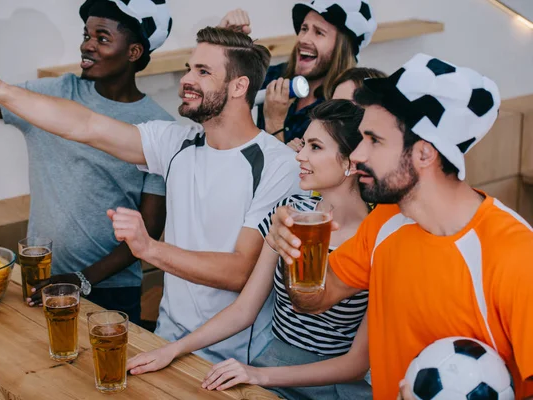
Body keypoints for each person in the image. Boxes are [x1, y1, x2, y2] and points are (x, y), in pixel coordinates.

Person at [0, 27, 302, 364]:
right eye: (188, 69)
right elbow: (85, 126)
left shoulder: (278, 164)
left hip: (232, 358)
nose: (186, 80)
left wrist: (149, 248)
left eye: (203, 71)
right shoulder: (176, 143)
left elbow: (240, 272)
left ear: (239, 86)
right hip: (166, 339)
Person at [266, 54, 533, 399]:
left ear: (424, 154)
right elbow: (313, 300)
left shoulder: (517, 256)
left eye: (374, 140)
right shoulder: (384, 222)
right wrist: (294, 253)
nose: (358, 154)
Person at [126, 94, 385, 400]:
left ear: (352, 161)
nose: (300, 156)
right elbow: (245, 309)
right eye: (303, 145)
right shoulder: (292, 210)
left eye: (315, 147)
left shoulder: (379, 237)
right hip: (270, 364)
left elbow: (356, 365)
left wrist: (259, 374)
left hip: (331, 387)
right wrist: (173, 349)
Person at [0, 0, 174, 324]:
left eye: (102, 38)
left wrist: (81, 278)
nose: (87, 45)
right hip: (39, 283)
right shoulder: (52, 95)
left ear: (133, 52)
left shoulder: (159, 128)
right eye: (86, 34)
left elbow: (151, 228)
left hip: (110, 291)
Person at [219, 0, 377, 145]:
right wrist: (223, 44)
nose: (303, 39)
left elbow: (302, 174)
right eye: (304, 28)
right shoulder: (275, 75)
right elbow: (218, 98)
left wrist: (274, 122)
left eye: (319, 32)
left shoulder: (341, 104)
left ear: (342, 48)